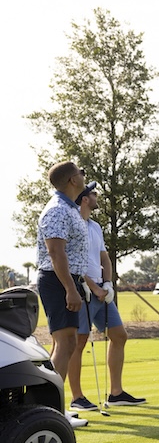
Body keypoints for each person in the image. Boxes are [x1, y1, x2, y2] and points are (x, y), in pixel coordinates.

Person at [68, 185, 146, 411]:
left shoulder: (95, 226)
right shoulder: (73, 224)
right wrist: (92, 286)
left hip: (102, 291)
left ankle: (116, 393)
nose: (96, 196)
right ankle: (77, 397)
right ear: (84, 199)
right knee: (78, 342)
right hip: (83, 289)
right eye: (92, 194)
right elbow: (71, 262)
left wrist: (108, 284)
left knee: (119, 335)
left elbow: (105, 258)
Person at [36, 161, 90, 428]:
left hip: (67, 281)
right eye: (81, 172)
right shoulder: (57, 210)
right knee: (66, 343)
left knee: (63, 344)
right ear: (72, 180)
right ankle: (50, 412)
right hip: (58, 282)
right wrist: (70, 289)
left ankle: (50, 410)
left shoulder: (69, 208)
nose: (83, 175)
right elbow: (56, 254)